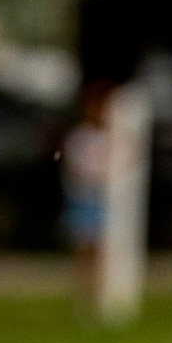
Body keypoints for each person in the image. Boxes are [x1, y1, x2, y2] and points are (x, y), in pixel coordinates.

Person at [60, 80, 114, 317]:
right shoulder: (80, 137)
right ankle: (83, 302)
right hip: (85, 199)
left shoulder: (111, 136)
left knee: (102, 253)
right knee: (84, 252)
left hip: (103, 200)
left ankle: (100, 301)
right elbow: (78, 170)